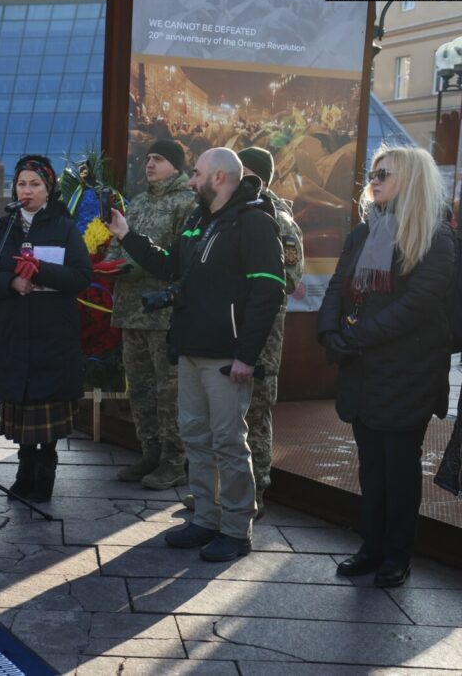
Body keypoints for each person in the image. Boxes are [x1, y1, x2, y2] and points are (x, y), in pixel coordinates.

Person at [107, 147, 284, 561]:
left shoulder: (255, 222)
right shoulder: (199, 220)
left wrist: (247, 355)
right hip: (189, 349)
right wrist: (126, 234)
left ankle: (237, 529)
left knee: (228, 442)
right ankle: (206, 518)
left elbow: (268, 291)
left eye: (197, 174)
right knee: (196, 439)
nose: (191, 181)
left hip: (227, 356)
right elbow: (172, 267)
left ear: (219, 177)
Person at [318, 145, 453, 587]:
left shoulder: (435, 234)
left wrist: (355, 337)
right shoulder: (365, 231)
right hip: (364, 367)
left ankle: (397, 554)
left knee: (399, 466)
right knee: (370, 464)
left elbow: (417, 304)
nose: (373, 180)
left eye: (384, 174)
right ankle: (370, 547)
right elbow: (339, 284)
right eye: (372, 174)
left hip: (408, 370)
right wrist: (328, 332)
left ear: (410, 180)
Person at [181, 147, 305, 518]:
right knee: (211, 428)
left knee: (252, 418)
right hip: (225, 333)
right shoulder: (217, 216)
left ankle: (255, 496)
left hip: (258, 334)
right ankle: (213, 500)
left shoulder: (271, 217)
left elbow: (284, 280)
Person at [0, 155, 93, 503]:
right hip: (15, 331)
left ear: (48, 188)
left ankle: (46, 472)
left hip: (53, 332)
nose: (27, 190)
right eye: (22, 184)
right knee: (22, 403)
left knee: (48, 402)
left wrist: (39, 272)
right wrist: (11, 282)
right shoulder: (4, 226)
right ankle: (25, 472)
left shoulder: (64, 227)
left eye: (35, 184)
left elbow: (82, 276)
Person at [104, 140, 196, 489]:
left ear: (175, 165)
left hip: (164, 315)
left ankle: (174, 461)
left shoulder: (186, 203)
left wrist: (132, 266)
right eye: (147, 158)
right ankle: (150, 454)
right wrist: (110, 266)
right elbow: (118, 243)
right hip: (131, 310)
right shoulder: (139, 202)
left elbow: (177, 259)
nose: (149, 164)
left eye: (157, 159)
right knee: (140, 389)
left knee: (168, 391)